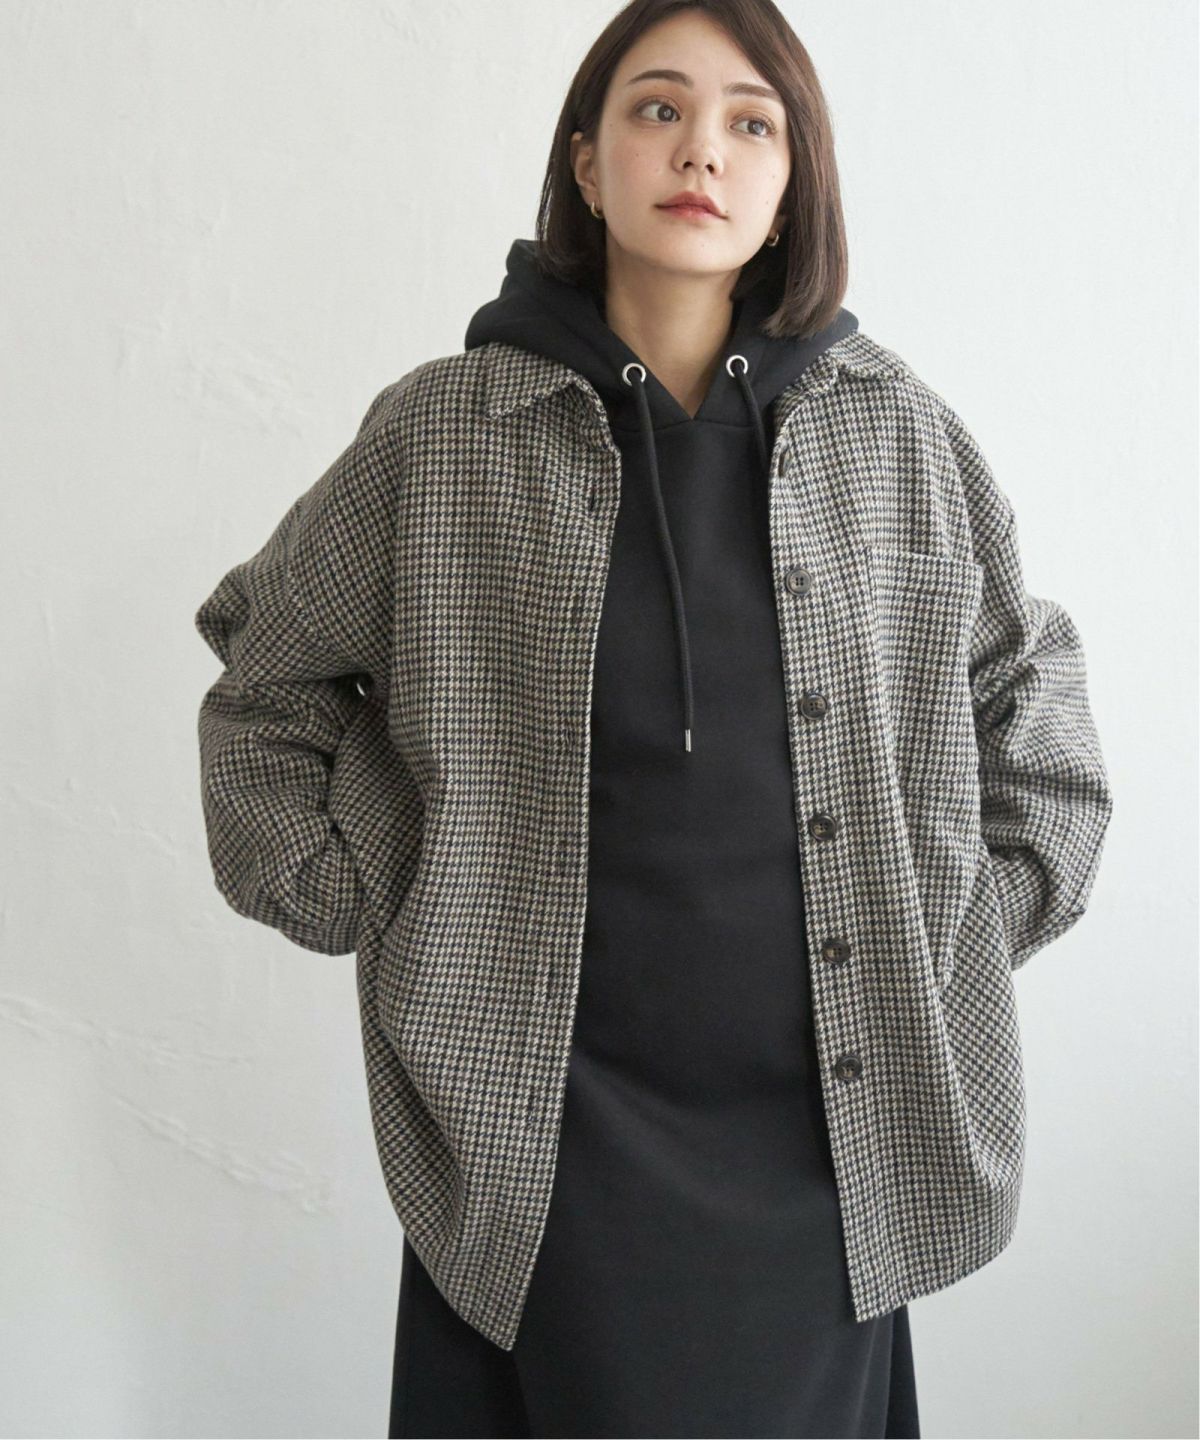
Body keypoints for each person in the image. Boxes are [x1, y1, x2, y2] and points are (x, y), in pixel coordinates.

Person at [193, 2, 1113, 1436]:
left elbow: (1035, 719)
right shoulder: (447, 435)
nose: (703, 151)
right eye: (658, 109)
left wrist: (937, 943)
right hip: (540, 1141)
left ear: (792, 183)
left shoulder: (897, 437)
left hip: (827, 1146)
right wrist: (367, 892)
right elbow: (266, 680)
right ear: (586, 160)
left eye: (753, 122)